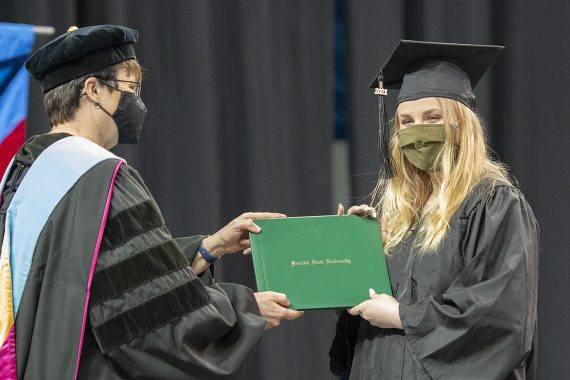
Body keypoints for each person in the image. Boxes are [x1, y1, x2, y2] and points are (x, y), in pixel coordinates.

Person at [0, 25, 302, 380]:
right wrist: (245, 308)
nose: (136, 102)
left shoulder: (23, 169)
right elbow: (148, 319)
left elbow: (102, 274)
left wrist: (208, 248)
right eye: (129, 88)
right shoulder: (100, 176)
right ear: (94, 90)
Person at [329, 40, 538, 379]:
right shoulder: (400, 212)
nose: (417, 132)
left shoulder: (493, 204)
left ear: (461, 124)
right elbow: (363, 311)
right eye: (406, 122)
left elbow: (500, 317)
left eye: (432, 117)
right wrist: (356, 254)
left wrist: (402, 316)